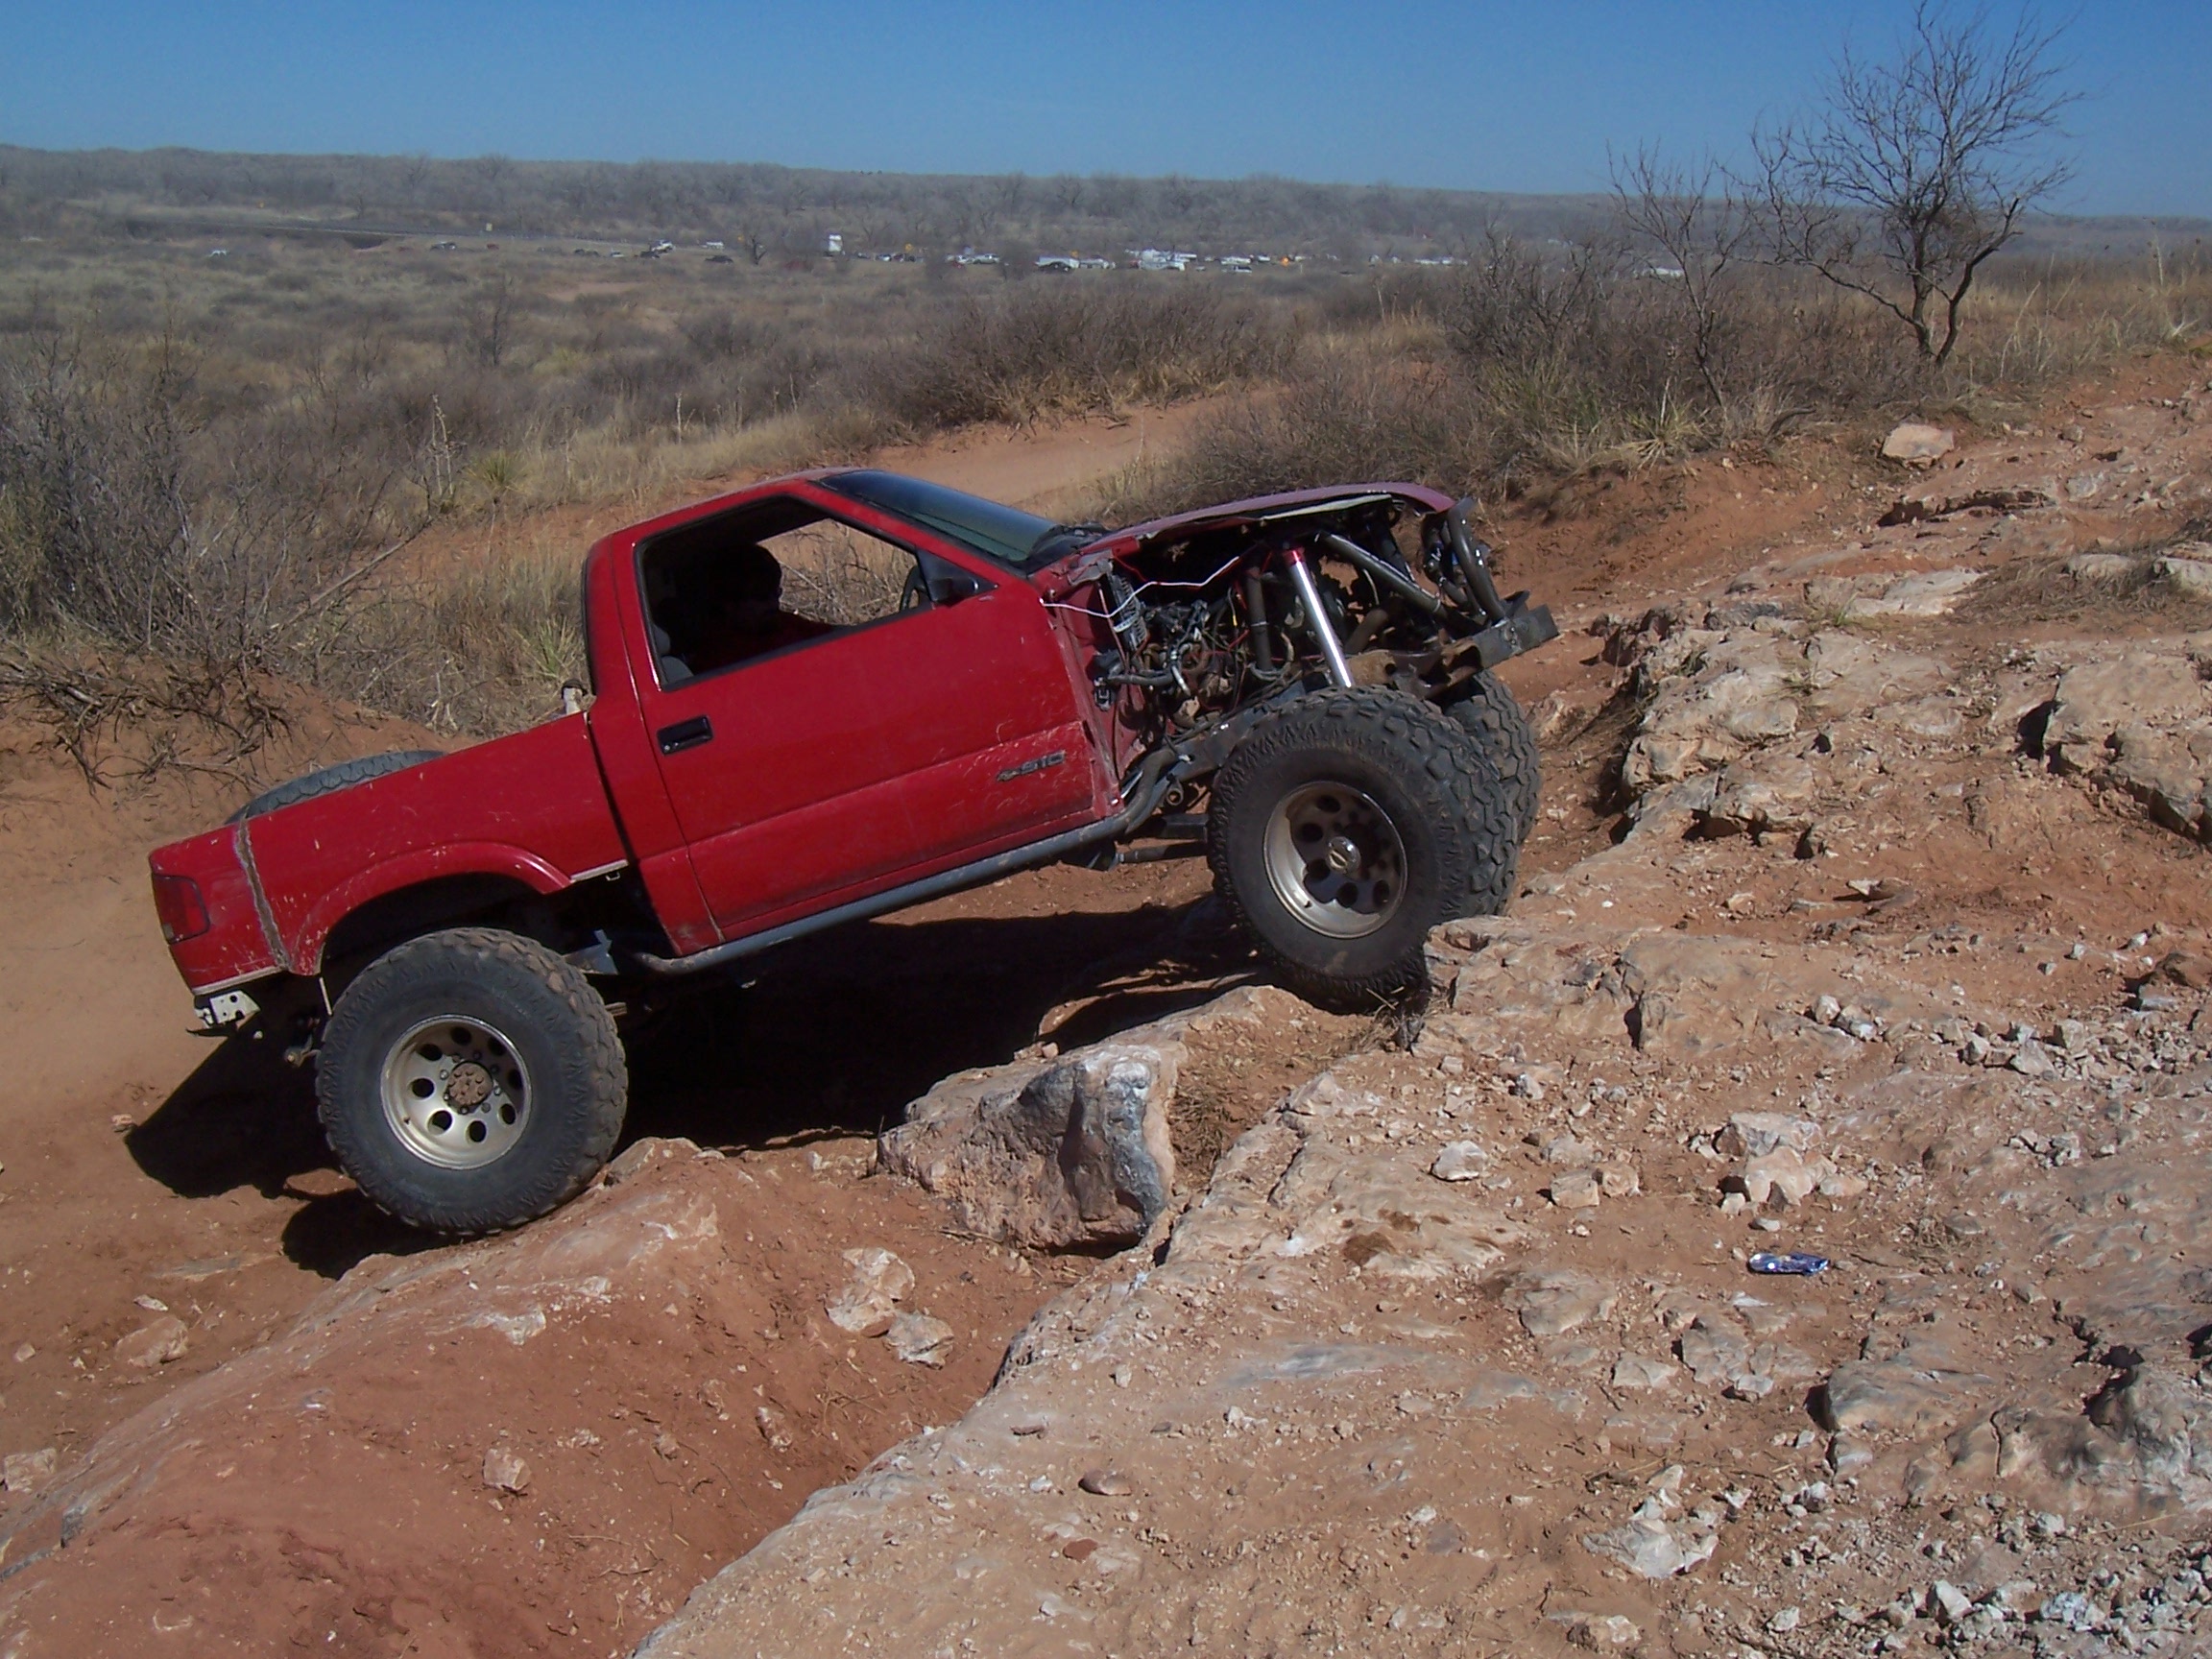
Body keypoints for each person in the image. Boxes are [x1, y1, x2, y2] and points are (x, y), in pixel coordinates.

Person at [688, 542, 836, 673]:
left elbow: (834, 636)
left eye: (776, 593)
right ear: (730, 605)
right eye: (762, 596)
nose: (773, 603)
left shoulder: (784, 623)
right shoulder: (717, 658)